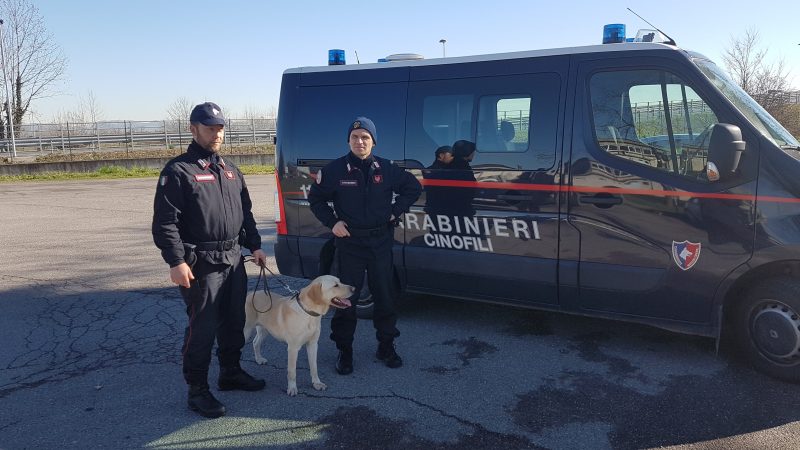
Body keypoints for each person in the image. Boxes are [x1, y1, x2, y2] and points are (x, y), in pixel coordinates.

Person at [152, 101, 268, 419]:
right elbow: (165, 223)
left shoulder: (230, 170)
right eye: (209, 127)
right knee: (202, 328)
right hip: (201, 263)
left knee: (235, 322)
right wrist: (176, 262)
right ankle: (198, 391)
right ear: (193, 129)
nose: (216, 134)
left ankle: (230, 372)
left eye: (219, 128)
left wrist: (255, 245)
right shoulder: (179, 171)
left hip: (233, 258)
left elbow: (246, 214)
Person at [308, 116, 422, 375]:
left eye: (365, 138)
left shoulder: (387, 168)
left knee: (384, 296)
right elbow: (316, 199)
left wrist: (396, 212)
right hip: (350, 243)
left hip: (380, 241)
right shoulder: (335, 170)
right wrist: (332, 222)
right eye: (355, 137)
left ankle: (386, 346)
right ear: (348, 140)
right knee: (346, 298)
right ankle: (344, 350)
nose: (360, 142)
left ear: (373, 141)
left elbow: (413, 188)